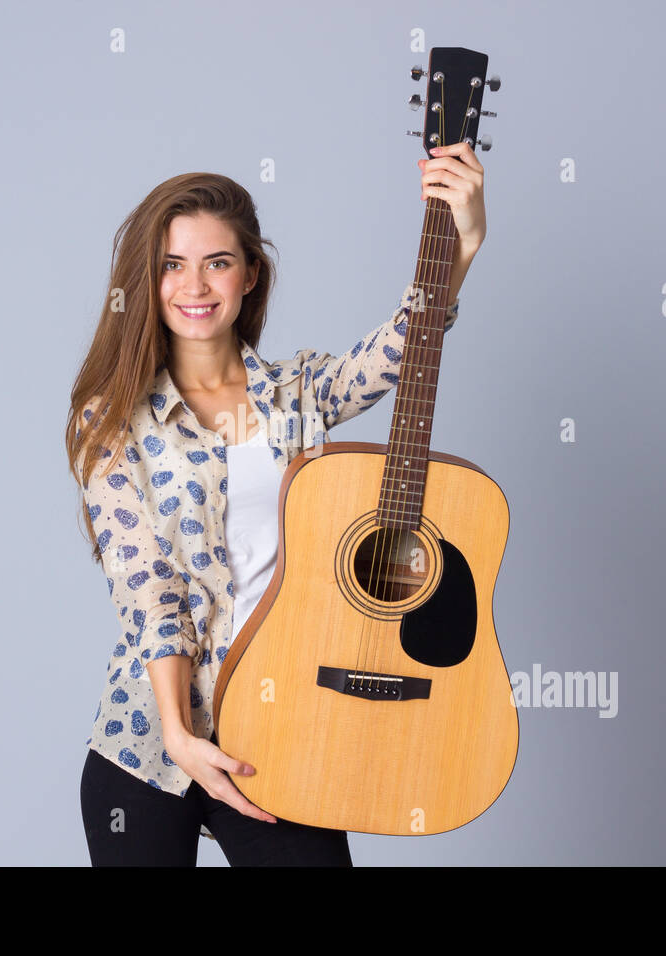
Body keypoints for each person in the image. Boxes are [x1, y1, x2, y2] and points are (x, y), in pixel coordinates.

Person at [65, 143, 486, 865]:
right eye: (172, 264)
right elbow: (150, 590)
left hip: (287, 732)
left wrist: (464, 242)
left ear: (251, 273)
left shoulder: (298, 394)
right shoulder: (110, 420)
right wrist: (178, 733)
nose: (194, 285)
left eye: (217, 262)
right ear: (147, 278)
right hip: (149, 744)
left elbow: (402, 347)